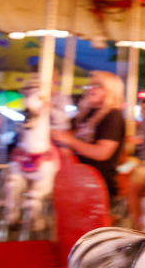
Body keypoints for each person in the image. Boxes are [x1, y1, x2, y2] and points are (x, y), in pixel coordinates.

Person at [53, 70, 126, 200]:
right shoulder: (84, 114)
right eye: (91, 85)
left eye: (99, 86)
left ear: (111, 91)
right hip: (74, 176)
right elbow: (64, 133)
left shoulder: (113, 116)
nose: (92, 89)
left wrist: (71, 141)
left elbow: (102, 153)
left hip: (96, 182)